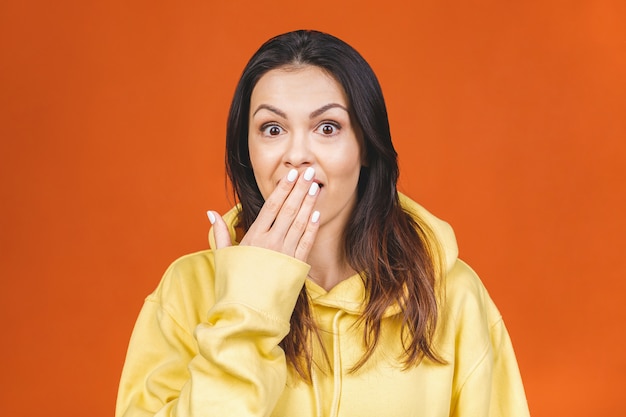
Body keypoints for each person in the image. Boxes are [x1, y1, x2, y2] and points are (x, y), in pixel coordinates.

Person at [115, 30, 530, 417]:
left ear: (365, 146)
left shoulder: (453, 295)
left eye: (327, 127)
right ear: (248, 151)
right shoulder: (186, 291)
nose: (297, 154)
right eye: (272, 128)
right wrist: (248, 308)